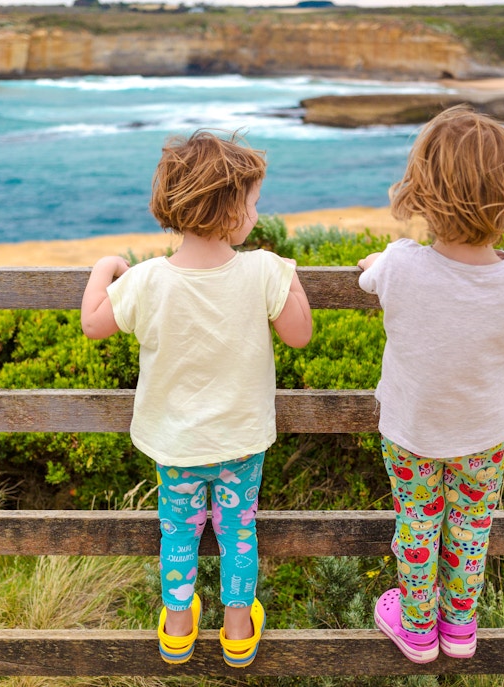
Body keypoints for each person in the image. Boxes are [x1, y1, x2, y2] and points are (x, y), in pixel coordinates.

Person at [81, 130, 312, 668]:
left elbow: (95, 324)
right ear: (231, 210)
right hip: (240, 442)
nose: (257, 212)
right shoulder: (262, 271)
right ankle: (236, 631)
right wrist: (288, 276)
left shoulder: (146, 279)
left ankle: (179, 627)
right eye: (253, 203)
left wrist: (103, 268)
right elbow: (299, 333)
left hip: (175, 442)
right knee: (239, 529)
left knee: (178, 530)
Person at [357, 107, 504, 664]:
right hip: (484, 434)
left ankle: (419, 627)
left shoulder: (400, 265)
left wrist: (384, 258)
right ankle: (460, 626)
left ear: (423, 193)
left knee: (417, 524)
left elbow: (374, 273)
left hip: (412, 432)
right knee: (471, 529)